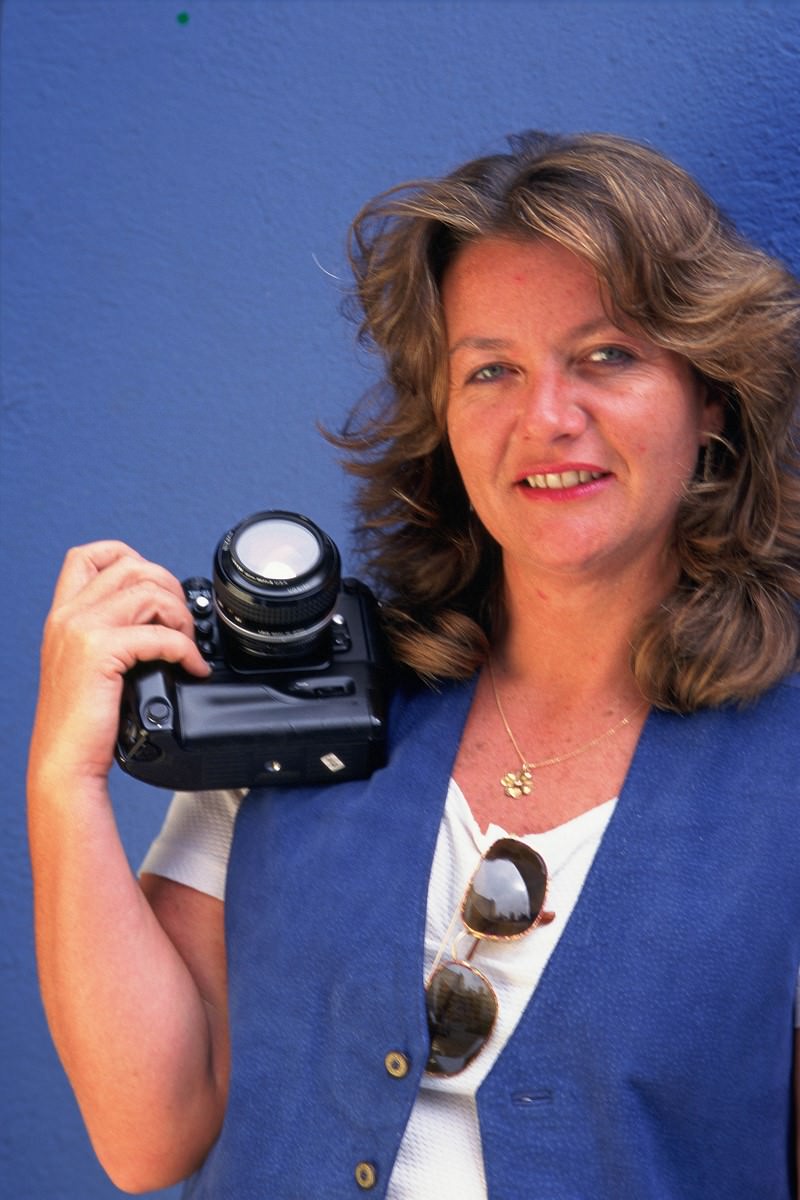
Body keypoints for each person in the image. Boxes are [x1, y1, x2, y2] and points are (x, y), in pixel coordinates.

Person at [28, 131, 800, 1198]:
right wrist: (62, 782)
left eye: (606, 356)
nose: (547, 418)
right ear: (442, 416)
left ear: (708, 392)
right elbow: (148, 1133)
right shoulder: (296, 690)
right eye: (491, 370)